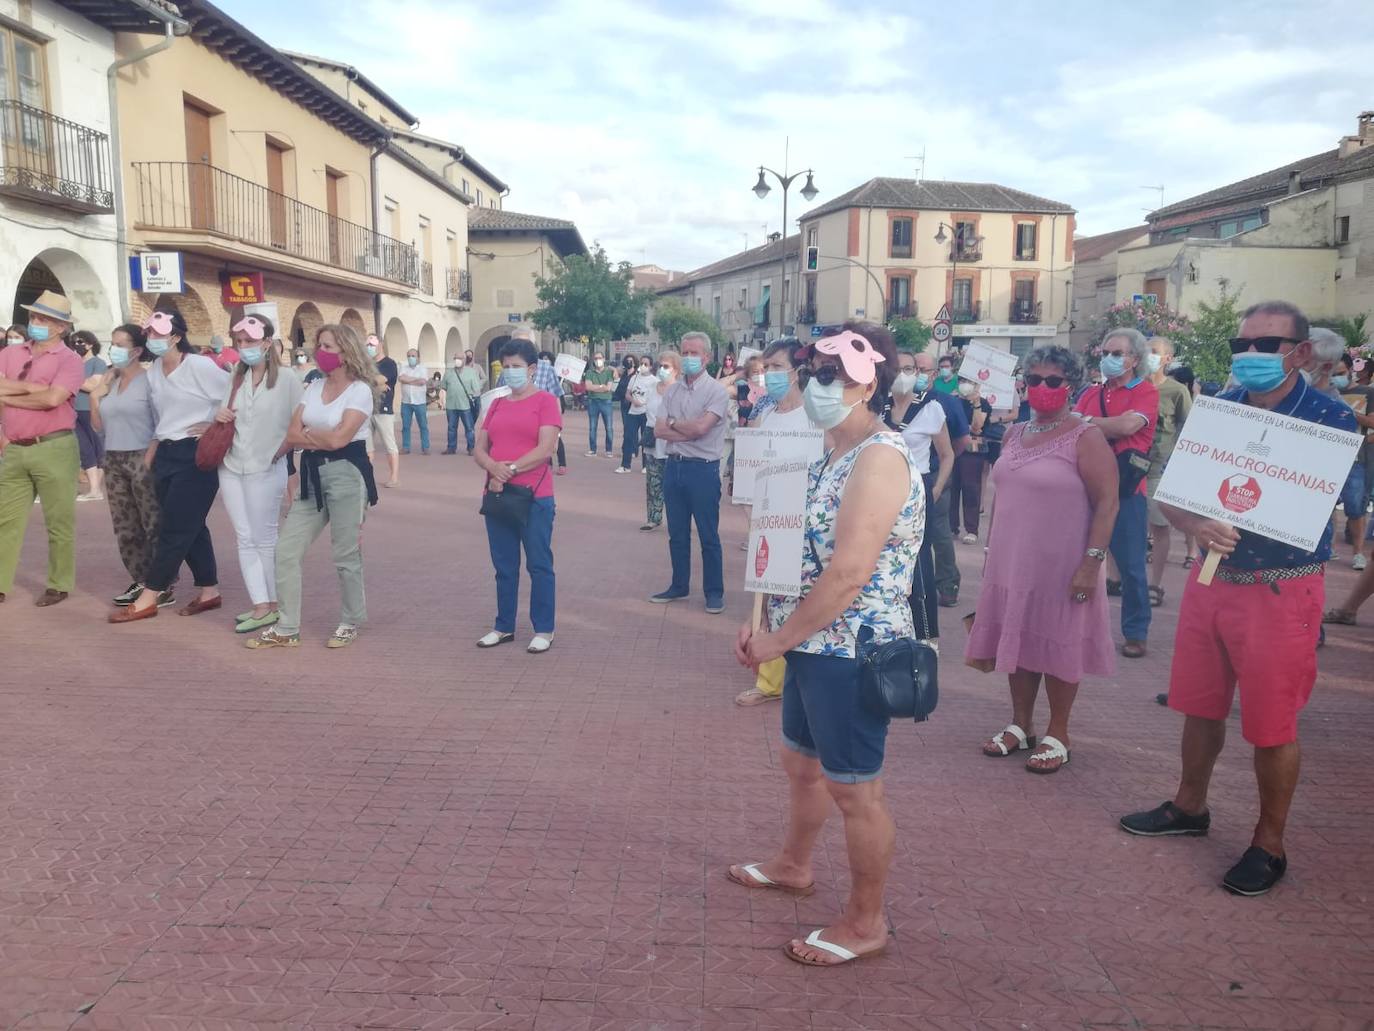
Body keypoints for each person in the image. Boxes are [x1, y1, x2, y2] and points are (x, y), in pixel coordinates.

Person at [1119, 301, 1359, 897]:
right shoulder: (1220, 409)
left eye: (1266, 346)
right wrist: (1198, 524)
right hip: (1211, 581)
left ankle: (1268, 843)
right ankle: (1189, 807)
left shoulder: (1330, 418)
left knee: (1272, 723)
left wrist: (1234, 515)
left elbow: (1306, 508)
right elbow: (1173, 493)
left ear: (1301, 353)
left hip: (1281, 589)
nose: (1249, 356)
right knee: (1199, 705)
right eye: (1240, 345)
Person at [729, 321, 921, 967]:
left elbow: (850, 571)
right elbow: (786, 551)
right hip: (811, 641)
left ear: (869, 381)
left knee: (855, 789)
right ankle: (794, 863)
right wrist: (766, 620)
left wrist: (779, 638)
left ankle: (867, 920)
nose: (820, 384)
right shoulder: (829, 455)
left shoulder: (880, 456)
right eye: (815, 371)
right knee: (802, 764)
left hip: (852, 647)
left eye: (834, 374)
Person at [966, 346, 1119, 773]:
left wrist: (1092, 563)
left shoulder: (1085, 437)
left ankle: (1059, 731)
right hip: (1012, 558)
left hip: (1064, 561)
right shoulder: (1014, 433)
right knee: (1018, 636)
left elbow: (1108, 503)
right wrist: (992, 547)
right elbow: (1004, 492)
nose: (1042, 388)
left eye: (1053, 381)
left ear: (1071, 385)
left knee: (1059, 639)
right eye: (1034, 380)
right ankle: (1020, 725)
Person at [247, 324, 378, 650]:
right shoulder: (313, 386)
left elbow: (340, 438)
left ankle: (351, 620)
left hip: (348, 475)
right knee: (287, 550)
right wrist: (317, 439)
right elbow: (293, 433)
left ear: (346, 351)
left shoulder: (359, 390)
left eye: (328, 346)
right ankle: (287, 627)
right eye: (319, 345)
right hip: (312, 477)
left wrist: (311, 437)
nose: (321, 352)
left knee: (346, 553)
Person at [108, 309, 230, 623]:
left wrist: (215, 422)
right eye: (149, 334)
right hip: (165, 452)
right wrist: (150, 455)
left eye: (160, 334)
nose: (153, 339)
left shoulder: (199, 365)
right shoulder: (154, 372)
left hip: (195, 453)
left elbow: (233, 394)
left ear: (176, 336)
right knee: (191, 526)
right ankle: (209, 589)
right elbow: (158, 420)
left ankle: (151, 594)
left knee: (174, 528)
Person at [735, 338, 820, 708]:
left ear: (797, 372)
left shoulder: (815, 417)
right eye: (765, 367)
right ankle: (769, 679)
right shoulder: (769, 414)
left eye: (776, 367)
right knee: (768, 594)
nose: (768, 374)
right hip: (771, 518)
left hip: (805, 520)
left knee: (804, 598)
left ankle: (802, 675)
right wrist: (751, 507)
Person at [214, 316, 303, 634]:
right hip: (232, 464)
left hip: (266, 467)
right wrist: (220, 413)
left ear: (267, 342)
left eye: (250, 341)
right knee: (244, 536)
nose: (244, 347)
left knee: (265, 537)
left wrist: (280, 452)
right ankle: (260, 604)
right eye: (239, 342)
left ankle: (276, 603)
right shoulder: (235, 377)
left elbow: (300, 420)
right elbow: (224, 411)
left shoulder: (288, 379)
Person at [473, 337, 561, 653]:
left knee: (538, 563)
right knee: (504, 565)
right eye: (505, 366)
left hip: (534, 495)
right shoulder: (496, 403)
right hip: (497, 493)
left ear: (532, 369)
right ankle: (503, 625)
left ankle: (544, 628)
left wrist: (506, 469)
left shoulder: (546, 402)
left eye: (516, 367)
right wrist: (492, 467)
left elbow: (545, 449)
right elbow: (479, 448)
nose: (510, 372)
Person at [1075, 328, 1158, 658]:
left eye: (1116, 354)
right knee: (1078, 559)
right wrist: (1092, 421)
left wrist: (1086, 421)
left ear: (1134, 360)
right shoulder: (1091, 393)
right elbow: (1070, 424)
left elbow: (1128, 427)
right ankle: (1077, 626)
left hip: (1127, 489)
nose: (1108, 358)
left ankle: (1136, 633)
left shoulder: (1146, 392)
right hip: (1087, 486)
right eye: (1106, 352)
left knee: (1131, 565)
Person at [0, 290, 85, 606]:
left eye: (44, 319)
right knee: (5, 520)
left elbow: (53, 398)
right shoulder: (10, 354)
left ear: (61, 327)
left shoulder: (70, 360)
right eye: (34, 316)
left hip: (54, 446)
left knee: (59, 520)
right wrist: (29, 388)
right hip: (14, 447)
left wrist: (7, 396)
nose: (36, 322)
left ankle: (59, 583)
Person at [650, 332, 730, 613]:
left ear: (706, 357)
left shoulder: (716, 391)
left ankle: (714, 592)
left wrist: (675, 424)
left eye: (694, 353)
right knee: (677, 533)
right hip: (675, 468)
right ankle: (679, 584)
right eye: (684, 352)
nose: (688, 358)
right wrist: (681, 426)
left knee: (708, 535)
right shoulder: (672, 390)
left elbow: (701, 429)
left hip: (703, 471)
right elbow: (659, 430)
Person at [88, 324, 165, 607]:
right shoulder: (111, 381)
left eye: (121, 344)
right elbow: (99, 427)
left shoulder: (150, 382)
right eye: (113, 343)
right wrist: (96, 396)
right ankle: (141, 578)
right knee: (125, 524)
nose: (114, 349)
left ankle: (162, 581)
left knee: (152, 521)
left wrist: (149, 458)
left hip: (143, 455)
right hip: (114, 457)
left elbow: (161, 423)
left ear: (136, 350)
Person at [886, 348, 955, 646]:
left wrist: (937, 488)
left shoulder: (930, 408)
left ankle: (926, 636)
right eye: (899, 368)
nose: (905, 374)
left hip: (918, 487)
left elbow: (947, 454)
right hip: (883, 485)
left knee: (919, 559)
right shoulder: (878, 407)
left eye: (910, 368)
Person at [907, 351, 970, 606]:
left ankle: (947, 583)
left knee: (939, 532)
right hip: (902, 478)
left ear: (934, 374)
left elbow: (961, 441)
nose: (918, 375)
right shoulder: (897, 401)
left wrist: (942, 471)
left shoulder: (945, 402)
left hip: (934, 475)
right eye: (914, 369)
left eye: (924, 370)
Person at [1144, 338, 1193, 604]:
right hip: (1127, 468)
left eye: (1153, 353)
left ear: (1167, 359)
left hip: (1157, 470)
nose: (1147, 357)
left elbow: (1188, 427)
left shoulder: (1176, 391)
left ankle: (1155, 584)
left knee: (1159, 527)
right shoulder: (1133, 387)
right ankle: (1115, 579)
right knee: (1121, 526)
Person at [1327, 352, 1374, 571]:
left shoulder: (1367, 393)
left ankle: (1358, 553)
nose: (1336, 377)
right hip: (1328, 458)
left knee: (1356, 507)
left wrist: (1346, 411)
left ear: (1351, 370)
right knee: (1326, 505)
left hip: (1356, 459)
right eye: (1332, 373)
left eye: (1341, 373)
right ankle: (1329, 548)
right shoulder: (1323, 392)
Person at [947, 378, 991, 544]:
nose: (966, 385)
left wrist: (977, 403)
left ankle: (972, 529)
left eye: (970, 382)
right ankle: (952, 527)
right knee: (951, 488)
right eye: (963, 381)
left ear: (977, 385)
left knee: (971, 489)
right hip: (953, 447)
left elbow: (977, 427)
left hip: (973, 451)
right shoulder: (953, 401)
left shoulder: (983, 404)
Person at [641, 350, 680, 532]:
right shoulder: (651, 387)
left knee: (672, 484)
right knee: (653, 481)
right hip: (652, 438)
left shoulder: (680, 391)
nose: (662, 370)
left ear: (676, 370)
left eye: (666, 366)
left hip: (672, 440)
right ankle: (653, 518)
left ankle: (675, 519)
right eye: (660, 366)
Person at [69, 329, 108, 502]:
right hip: (72, 410)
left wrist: (70, 379)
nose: (77, 346)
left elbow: (94, 385)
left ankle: (95, 488)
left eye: (80, 342)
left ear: (90, 344)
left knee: (96, 447)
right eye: (74, 343)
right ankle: (94, 488)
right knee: (84, 448)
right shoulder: (73, 363)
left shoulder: (98, 363)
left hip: (89, 409)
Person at [365, 335, 400, 488]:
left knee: (389, 444)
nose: (369, 347)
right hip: (366, 409)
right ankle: (366, 476)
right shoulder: (366, 364)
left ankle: (394, 477)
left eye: (372, 344)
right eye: (367, 344)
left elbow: (381, 380)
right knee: (366, 446)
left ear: (380, 345)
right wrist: (373, 381)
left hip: (383, 409)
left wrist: (371, 380)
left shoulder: (389, 364)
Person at [618, 356, 658, 473]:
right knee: (628, 437)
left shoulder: (654, 381)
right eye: (641, 363)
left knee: (645, 439)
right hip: (633, 412)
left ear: (650, 366)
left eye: (646, 364)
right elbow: (627, 394)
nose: (643, 366)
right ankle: (625, 465)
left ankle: (646, 465)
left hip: (646, 413)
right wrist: (633, 401)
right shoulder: (634, 378)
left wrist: (645, 403)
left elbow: (656, 397)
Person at [441, 352, 480, 455]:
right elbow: (443, 387)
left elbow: (476, 388)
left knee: (469, 428)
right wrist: (442, 401)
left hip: (465, 405)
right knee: (451, 428)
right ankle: (451, 448)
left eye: (459, 358)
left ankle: (471, 448)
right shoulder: (448, 373)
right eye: (455, 358)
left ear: (464, 360)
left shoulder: (471, 372)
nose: (457, 360)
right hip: (451, 405)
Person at [582, 350, 616, 456]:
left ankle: (609, 450)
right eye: (596, 358)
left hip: (606, 401)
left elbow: (609, 388)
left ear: (604, 359)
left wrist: (595, 387)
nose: (598, 360)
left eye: (599, 358)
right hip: (593, 402)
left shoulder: (609, 372)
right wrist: (602, 387)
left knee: (609, 427)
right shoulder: (589, 373)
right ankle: (592, 450)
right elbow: (588, 387)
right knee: (592, 427)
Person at [397, 347, 430, 454]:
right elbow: (401, 379)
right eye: (409, 356)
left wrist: (408, 379)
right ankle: (406, 447)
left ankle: (425, 447)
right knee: (406, 426)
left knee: (423, 426)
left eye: (413, 356)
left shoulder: (423, 368)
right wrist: (415, 379)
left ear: (418, 358)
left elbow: (422, 381)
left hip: (419, 402)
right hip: (406, 402)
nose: (411, 358)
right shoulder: (403, 367)